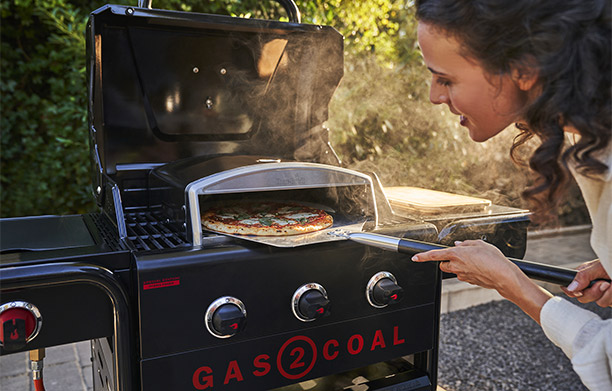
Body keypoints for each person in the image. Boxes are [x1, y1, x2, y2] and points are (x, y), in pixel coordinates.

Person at [409, 0, 611, 389]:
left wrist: (515, 286)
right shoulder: (588, 130)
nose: (434, 96)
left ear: (524, 69)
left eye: (445, 79)